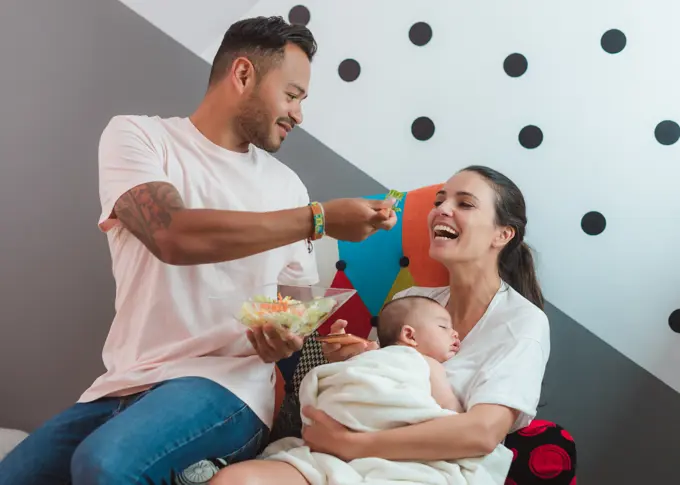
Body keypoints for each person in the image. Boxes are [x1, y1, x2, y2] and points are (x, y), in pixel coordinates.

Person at [0, 15, 397, 485]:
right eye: (291, 95)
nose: (298, 114)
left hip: (230, 390)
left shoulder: (286, 187)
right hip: (125, 382)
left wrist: (286, 337)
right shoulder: (139, 137)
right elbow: (172, 234)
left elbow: (295, 310)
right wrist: (319, 219)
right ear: (244, 74)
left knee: (103, 463)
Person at [207, 165, 550, 484]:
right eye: (440, 201)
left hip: (432, 465)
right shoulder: (415, 298)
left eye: (465, 203)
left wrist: (353, 445)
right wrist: (351, 357)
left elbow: (483, 433)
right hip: (346, 451)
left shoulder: (522, 322)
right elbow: (378, 382)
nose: (442, 210)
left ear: (502, 234)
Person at [212, 296, 521, 485]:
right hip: (331, 446)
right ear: (410, 335)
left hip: (387, 455)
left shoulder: (519, 325)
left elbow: (457, 429)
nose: (454, 334)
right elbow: (449, 413)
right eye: (444, 327)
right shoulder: (421, 363)